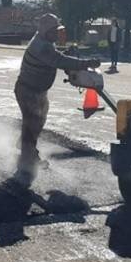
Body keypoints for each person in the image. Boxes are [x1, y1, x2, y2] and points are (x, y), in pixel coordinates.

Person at [14, 13, 101, 186]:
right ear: (46, 30)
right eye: (54, 31)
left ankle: (26, 147)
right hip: (28, 91)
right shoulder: (41, 46)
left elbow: (56, 56)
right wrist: (86, 63)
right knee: (32, 124)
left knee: (39, 121)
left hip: (37, 91)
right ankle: (26, 165)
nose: (56, 34)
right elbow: (59, 61)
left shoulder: (44, 40)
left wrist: (66, 55)